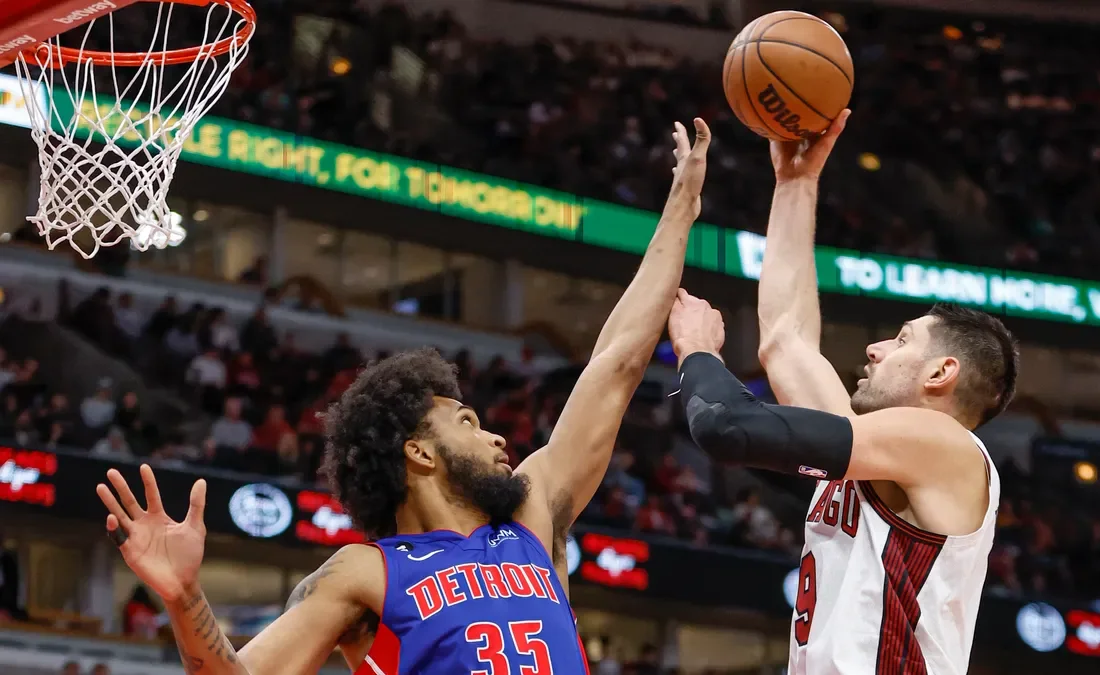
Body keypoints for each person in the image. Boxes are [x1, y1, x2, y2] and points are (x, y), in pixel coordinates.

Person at [94, 118, 712, 675]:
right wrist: (184, 599)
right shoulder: (362, 574)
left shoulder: (530, 515)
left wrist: (681, 209)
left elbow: (617, 364)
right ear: (418, 452)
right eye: (466, 421)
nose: (497, 436)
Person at [666, 110, 1019, 675]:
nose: (876, 349)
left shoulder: (940, 441)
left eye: (902, 340)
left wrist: (699, 352)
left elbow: (726, 427)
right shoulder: (875, 452)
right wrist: (795, 184)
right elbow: (784, 339)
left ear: (940, 374)